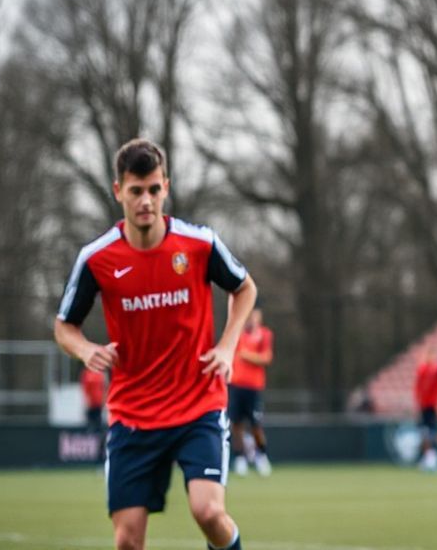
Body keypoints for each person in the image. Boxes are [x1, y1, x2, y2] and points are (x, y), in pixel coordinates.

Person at [54, 138, 256, 550]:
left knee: (208, 512)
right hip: (133, 415)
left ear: (166, 186)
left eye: (153, 189)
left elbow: (245, 288)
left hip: (198, 405)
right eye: (136, 191)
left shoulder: (198, 244)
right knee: (127, 540)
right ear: (118, 191)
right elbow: (64, 327)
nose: (146, 201)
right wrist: (86, 350)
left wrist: (227, 346)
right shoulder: (96, 259)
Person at [229, 307, 274, 477]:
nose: (251, 319)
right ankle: (240, 457)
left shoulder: (264, 334)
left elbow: (266, 358)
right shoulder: (237, 333)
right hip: (236, 386)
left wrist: (247, 356)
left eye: (254, 316)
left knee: (255, 424)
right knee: (236, 424)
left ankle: (261, 455)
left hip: (254, 387)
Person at [413, 345, 437, 471]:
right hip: (424, 406)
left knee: (431, 433)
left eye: (432, 355)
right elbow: (418, 388)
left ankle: (432, 458)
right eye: (428, 355)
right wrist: (417, 404)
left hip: (433, 406)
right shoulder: (422, 369)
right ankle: (429, 457)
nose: (430, 357)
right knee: (425, 433)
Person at [80, 366, 106, 432]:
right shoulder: (87, 374)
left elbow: (103, 388)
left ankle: (96, 435)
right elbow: (85, 388)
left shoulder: (100, 374)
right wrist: (87, 400)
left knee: (97, 422)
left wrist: (103, 400)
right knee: (92, 423)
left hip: (97, 402)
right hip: (92, 403)